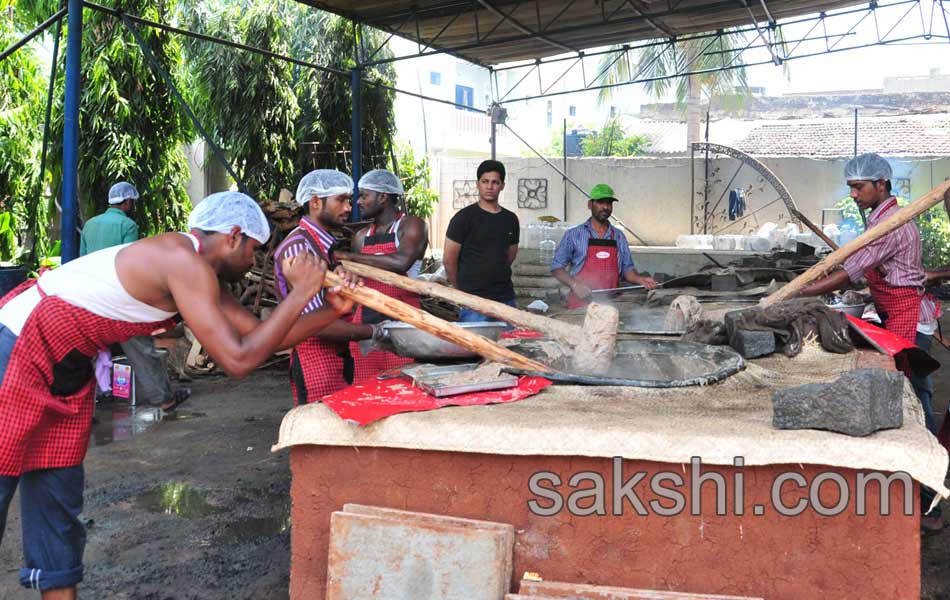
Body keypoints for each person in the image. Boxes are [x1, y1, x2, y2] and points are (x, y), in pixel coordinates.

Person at [0, 191, 355, 598]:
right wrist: (299, 293)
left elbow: (258, 337)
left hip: (64, 366)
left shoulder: (199, 268)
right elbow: (239, 361)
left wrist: (330, 309)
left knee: (57, 499)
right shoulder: (183, 261)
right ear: (235, 236)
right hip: (20, 347)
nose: (253, 262)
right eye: (254, 251)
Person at [792, 153, 942, 530]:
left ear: (882, 185)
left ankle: (928, 503)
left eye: (859, 187)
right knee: (908, 395)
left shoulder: (891, 224)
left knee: (914, 402)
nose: (854, 194)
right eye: (851, 187)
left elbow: (849, 273)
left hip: (909, 314)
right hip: (892, 310)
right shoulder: (876, 218)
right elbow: (858, 266)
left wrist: (798, 292)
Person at [80, 182, 190, 411]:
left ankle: (93, 398)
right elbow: (129, 263)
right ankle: (164, 398)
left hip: (90, 294)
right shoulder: (128, 225)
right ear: (128, 202)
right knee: (141, 346)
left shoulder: (90, 225)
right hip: (118, 294)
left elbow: (82, 258)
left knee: (90, 349)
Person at [274, 170, 377, 405]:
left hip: (337, 353)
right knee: (318, 431)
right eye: (341, 200)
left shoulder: (323, 245)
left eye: (348, 200)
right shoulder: (299, 249)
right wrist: (374, 332)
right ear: (315, 202)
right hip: (315, 357)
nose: (349, 207)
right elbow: (313, 323)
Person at [334, 169, 428, 382]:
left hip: (404, 319)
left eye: (364, 195)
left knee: (402, 382)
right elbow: (356, 275)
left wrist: (350, 258)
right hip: (367, 321)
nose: (358, 202)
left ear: (383, 197)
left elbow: (401, 262)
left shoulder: (411, 225)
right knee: (366, 383)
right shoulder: (361, 236)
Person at [550, 183, 657, 308]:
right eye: (600, 202)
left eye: (609, 203)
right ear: (590, 204)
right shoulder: (574, 235)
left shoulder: (618, 236)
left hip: (611, 304)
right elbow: (557, 268)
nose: (605, 207)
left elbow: (627, 270)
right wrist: (574, 284)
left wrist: (641, 280)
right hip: (580, 304)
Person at [443, 160, 520, 321]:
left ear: (502, 186)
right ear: (478, 184)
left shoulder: (510, 219)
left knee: (509, 344)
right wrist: (461, 291)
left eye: (495, 182)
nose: (490, 187)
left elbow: (509, 257)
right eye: (485, 181)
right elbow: (449, 260)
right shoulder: (463, 218)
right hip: (474, 302)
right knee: (475, 345)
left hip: (505, 299)